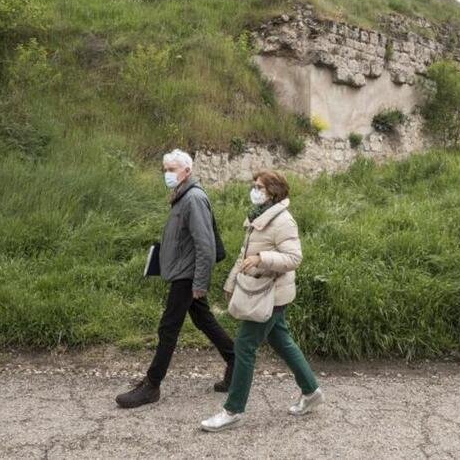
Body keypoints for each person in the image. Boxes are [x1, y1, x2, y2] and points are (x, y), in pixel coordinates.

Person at [200, 169, 324, 432]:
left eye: (259, 187)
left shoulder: (283, 221)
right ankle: (311, 392)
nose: (254, 190)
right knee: (281, 340)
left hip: (272, 294)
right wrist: (231, 282)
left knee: (244, 345)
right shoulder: (258, 216)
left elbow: (294, 258)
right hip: (262, 291)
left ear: (273, 193)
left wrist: (263, 258)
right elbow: (244, 254)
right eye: (254, 186)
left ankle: (232, 410)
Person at [116, 149, 235, 408]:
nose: (167, 174)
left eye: (172, 170)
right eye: (165, 170)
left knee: (168, 327)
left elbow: (205, 246)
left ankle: (152, 385)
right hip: (183, 270)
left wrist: (200, 284)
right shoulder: (182, 196)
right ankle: (236, 361)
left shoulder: (193, 199)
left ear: (187, 171)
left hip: (187, 274)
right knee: (203, 320)